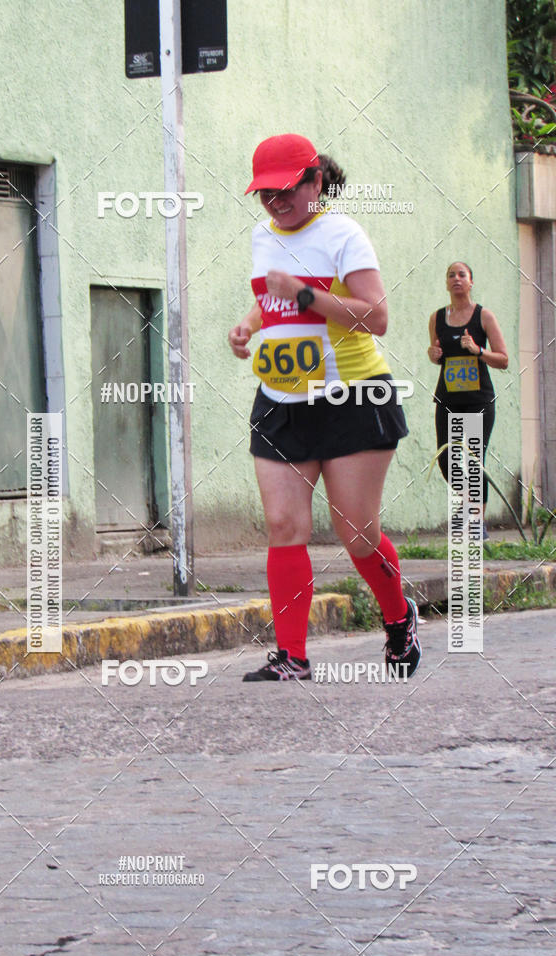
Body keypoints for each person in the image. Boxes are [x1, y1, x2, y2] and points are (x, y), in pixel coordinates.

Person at [228, 133, 421, 682]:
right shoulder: (262, 235)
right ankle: (292, 656)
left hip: (352, 397)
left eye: (286, 191)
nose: (275, 203)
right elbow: (273, 300)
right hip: (282, 397)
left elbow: (375, 317)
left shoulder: (344, 234)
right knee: (283, 524)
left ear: (316, 181)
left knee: (355, 532)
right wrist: (249, 324)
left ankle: (398, 617)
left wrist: (307, 294)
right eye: (265, 194)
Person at [428, 262, 508, 537]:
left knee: (474, 459)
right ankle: (467, 503)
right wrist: (434, 355)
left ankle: (477, 521)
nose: (456, 278)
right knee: (446, 457)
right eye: (451, 274)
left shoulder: (484, 316)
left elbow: (503, 360)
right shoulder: (437, 317)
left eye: (462, 274)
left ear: (471, 282)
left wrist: (477, 350)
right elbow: (437, 353)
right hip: (448, 397)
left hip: (478, 400)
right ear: (446, 283)